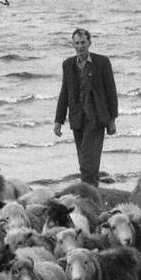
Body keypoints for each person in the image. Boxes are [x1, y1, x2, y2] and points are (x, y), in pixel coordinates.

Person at [53, 27, 118, 186]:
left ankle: (87, 192)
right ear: (73, 45)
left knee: (87, 160)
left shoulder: (102, 62)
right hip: (77, 119)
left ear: (89, 43)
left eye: (83, 42)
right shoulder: (67, 65)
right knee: (85, 157)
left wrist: (112, 119)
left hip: (96, 118)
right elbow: (65, 93)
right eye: (77, 43)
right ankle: (93, 190)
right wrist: (58, 120)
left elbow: (111, 91)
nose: (80, 46)